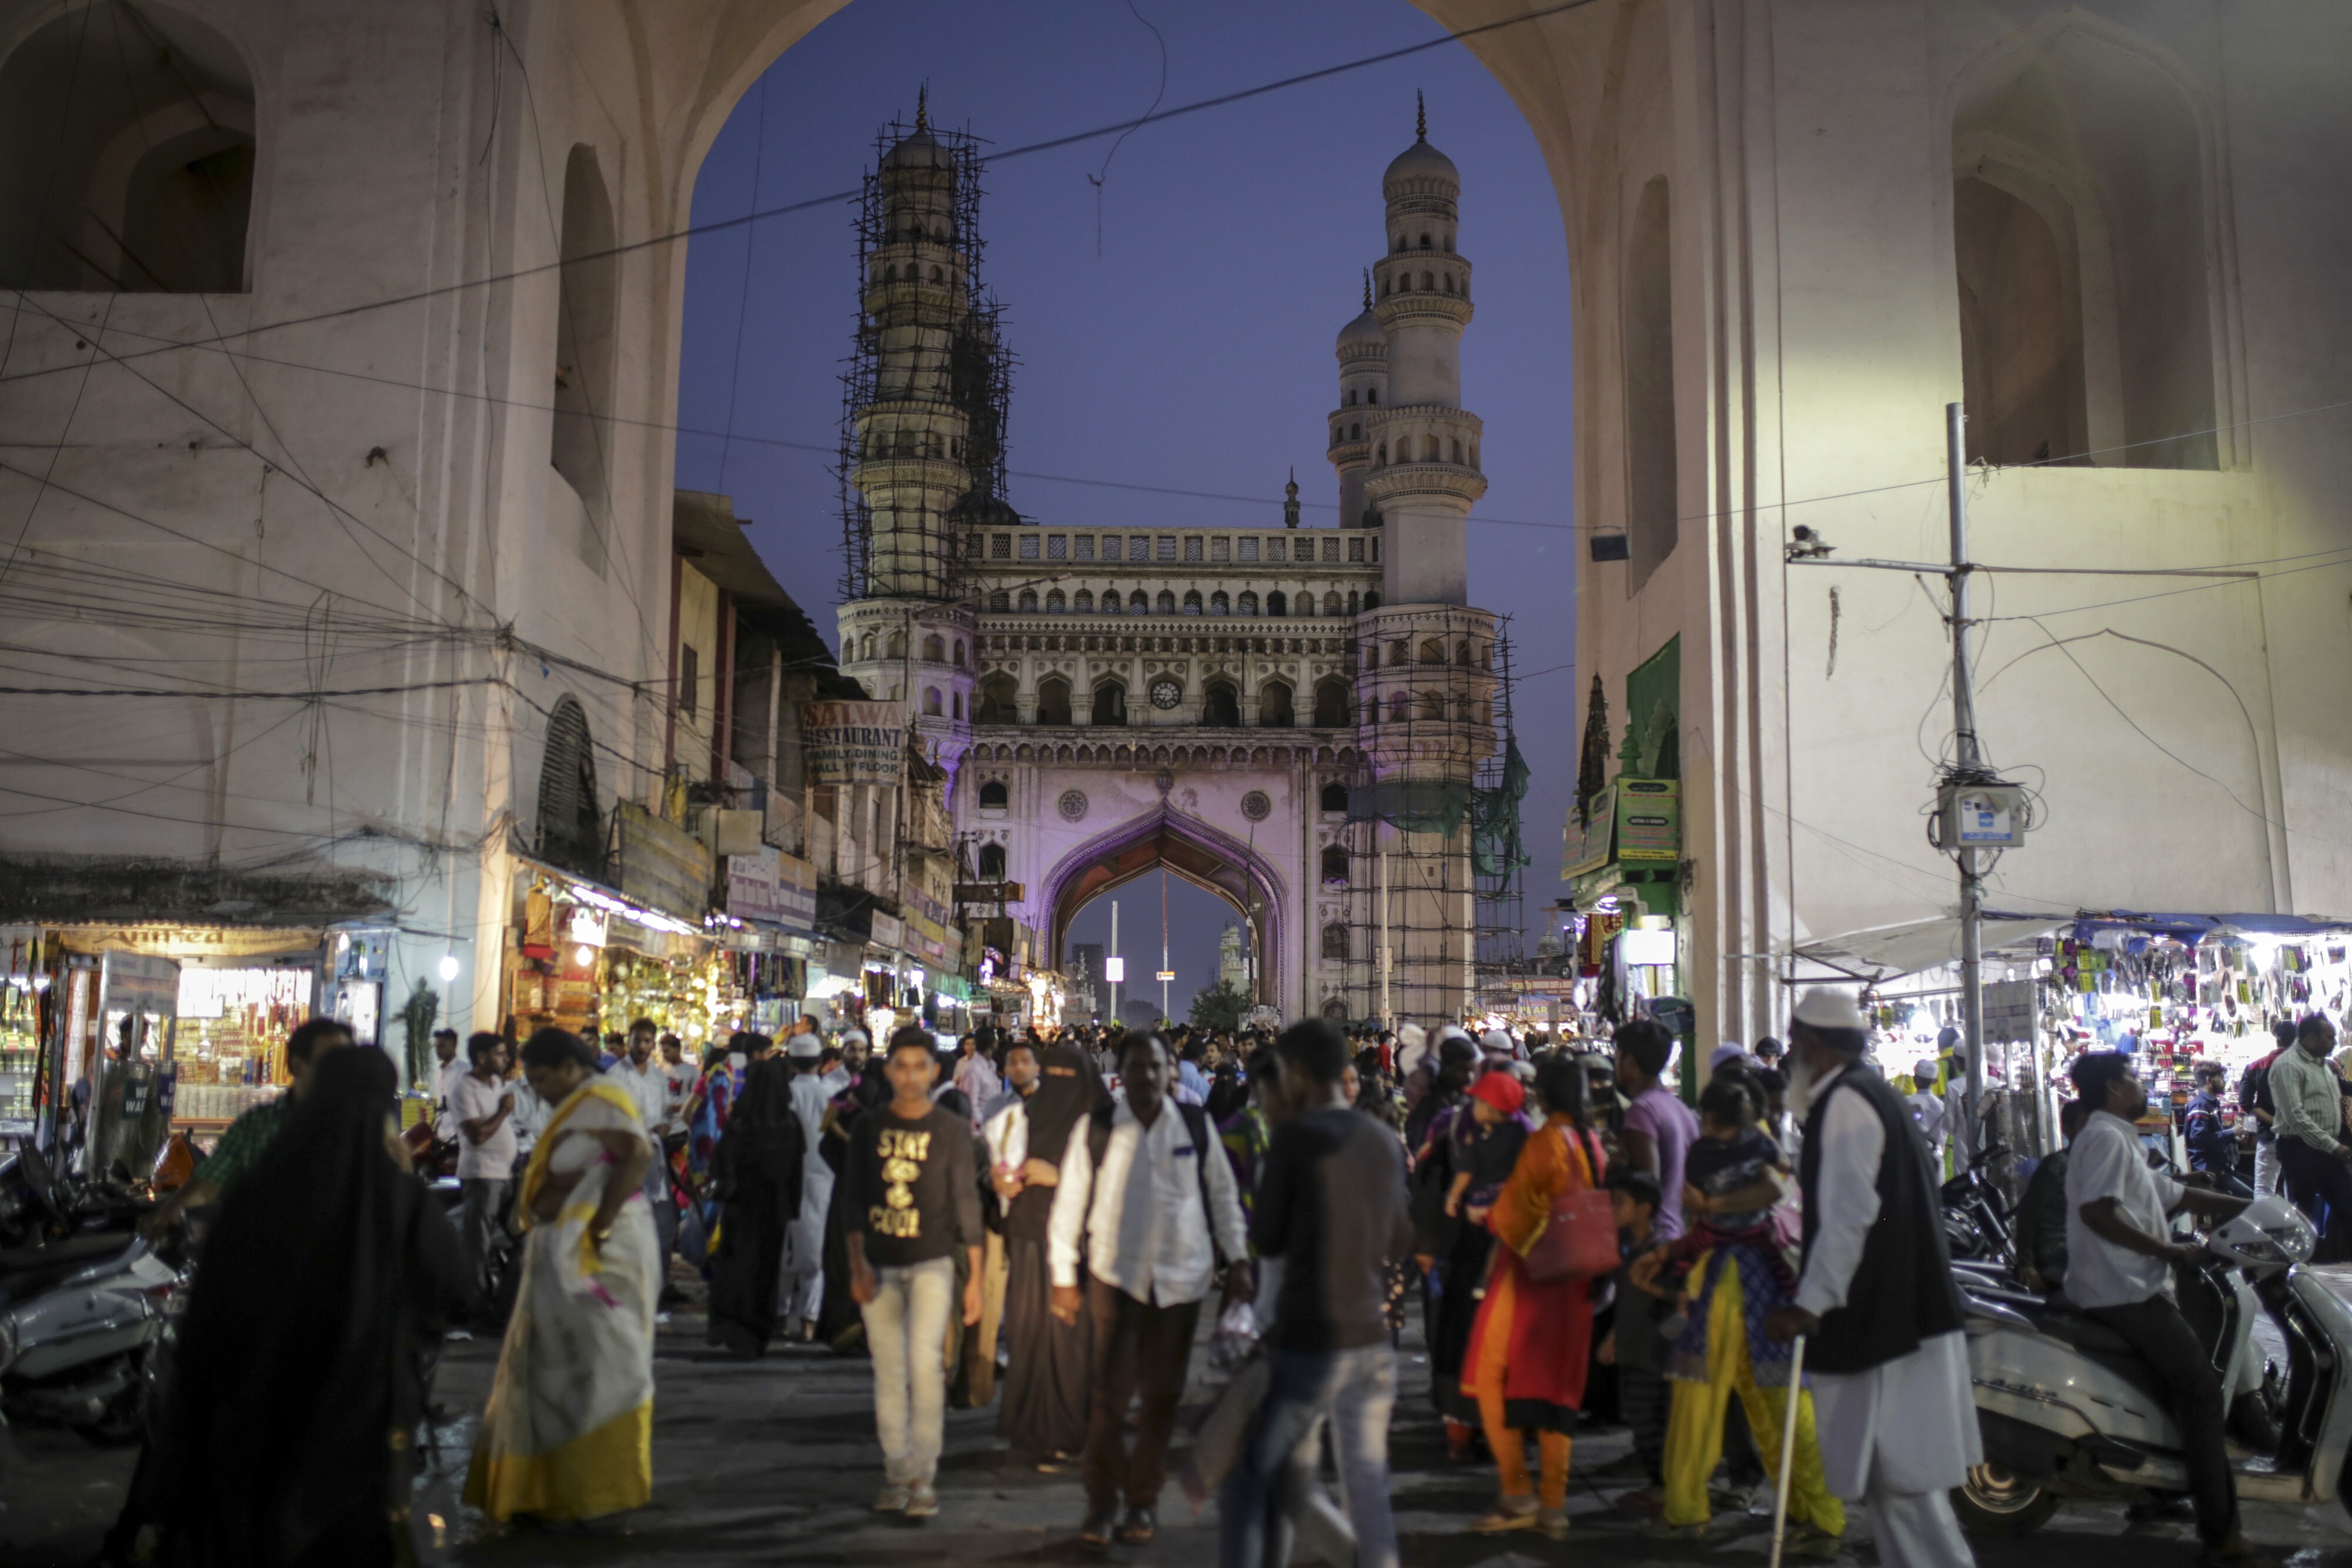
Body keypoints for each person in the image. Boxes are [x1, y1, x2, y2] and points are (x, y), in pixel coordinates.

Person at [160, 1047, 469, 1567]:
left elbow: (209, 1314)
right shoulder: (402, 1199)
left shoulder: (259, 1191)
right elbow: (454, 1288)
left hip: (256, 1412)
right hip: (361, 1420)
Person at [1763, 988, 1977, 1568]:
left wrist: (1808, 1305)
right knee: (1892, 1477)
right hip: (1897, 1314)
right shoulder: (1869, 1094)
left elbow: (1848, 1217)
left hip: (1890, 1323)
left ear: (1813, 1045)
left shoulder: (1847, 1104)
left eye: (1795, 1044)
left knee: (1902, 1477)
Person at [2062, 1051, 2268, 1568]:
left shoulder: (2117, 1138)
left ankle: (2156, 1490)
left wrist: (2255, 1208)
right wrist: (2170, 1251)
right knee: (2202, 1393)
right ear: (2114, 1087)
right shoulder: (2107, 1138)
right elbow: (2097, 1213)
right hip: (2124, 1290)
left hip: (2130, 1286)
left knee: (2170, 1389)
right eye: (2133, 1078)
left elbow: (2175, 1195)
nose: (2141, 1085)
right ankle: (2222, 1535)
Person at [1219, 1019, 1413, 1568]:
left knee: (1263, 1477)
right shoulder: (1381, 1136)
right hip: (1371, 1335)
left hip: (1309, 1336)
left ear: (1300, 1074)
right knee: (1366, 1483)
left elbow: (1267, 1238)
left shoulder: (1295, 1137)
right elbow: (1401, 1237)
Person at [1050, 1032, 1250, 1547]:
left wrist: (1239, 1258)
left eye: (1156, 1066)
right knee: (1109, 1399)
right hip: (1115, 1277)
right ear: (1121, 1073)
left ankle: (1143, 1499)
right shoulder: (1097, 1127)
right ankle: (1101, 1502)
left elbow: (1223, 1194)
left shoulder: (1194, 1125)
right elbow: (1070, 1203)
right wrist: (1063, 1275)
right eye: (1136, 1067)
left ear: (1170, 1073)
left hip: (1181, 1280)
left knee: (1162, 1398)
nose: (1146, 1076)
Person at [466, 1028, 659, 1525]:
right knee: (554, 1369)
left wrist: (600, 1225)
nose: (539, 1090)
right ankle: (546, 1490)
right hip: (563, 1252)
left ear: (570, 1067)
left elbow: (636, 1155)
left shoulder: (602, 1098)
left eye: (542, 1078)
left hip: (600, 1258)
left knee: (596, 1371)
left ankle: (588, 1490)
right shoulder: (582, 1102)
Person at [1644, 1069, 1841, 1552]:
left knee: (1695, 1404)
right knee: (1786, 1406)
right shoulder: (1765, 1145)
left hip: (1718, 1285)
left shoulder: (1703, 1154)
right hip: (1769, 1283)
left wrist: (1710, 1206)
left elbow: (1704, 1219)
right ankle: (1819, 1514)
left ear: (1711, 1118)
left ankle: (1687, 1511)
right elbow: (1778, 1185)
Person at [1461, 1055, 1608, 1539]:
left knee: (1489, 1375)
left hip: (1529, 1277)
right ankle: (1552, 1506)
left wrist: (1487, 1215)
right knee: (1557, 1389)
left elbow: (1513, 1213)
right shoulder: (1590, 1142)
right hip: (1575, 1282)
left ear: (1543, 1095)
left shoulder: (1547, 1141)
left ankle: (1517, 1489)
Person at [842, 1026, 985, 1520]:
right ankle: (896, 1470)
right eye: (900, 1067)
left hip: (932, 1262)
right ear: (888, 1071)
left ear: (934, 1071)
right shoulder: (869, 1127)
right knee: (889, 1369)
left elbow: (967, 1204)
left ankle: (922, 1475)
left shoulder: (950, 1130)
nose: (909, 1076)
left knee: (926, 1365)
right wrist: (856, 1263)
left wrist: (976, 1278)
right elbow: (853, 1200)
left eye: (918, 1067)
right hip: (880, 1263)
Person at [990, 1035, 1098, 1468]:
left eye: (1069, 1077)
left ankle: (1068, 1429)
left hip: (1080, 1249)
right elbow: (993, 1169)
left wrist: (1058, 1176)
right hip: (1028, 1238)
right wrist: (1000, 1181)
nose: (1060, 1085)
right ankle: (1034, 1428)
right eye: (1054, 1076)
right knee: (1030, 1337)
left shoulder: (1099, 1128)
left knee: (1068, 1341)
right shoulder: (1018, 1119)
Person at [140, 1019, 353, 1239]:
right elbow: (207, 1188)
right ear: (297, 1066)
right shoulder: (256, 1127)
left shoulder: (360, 1127)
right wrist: (161, 1219)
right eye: (331, 1063)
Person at [706, 1057, 805, 1357]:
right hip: (775, 1209)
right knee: (765, 1270)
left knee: (737, 1265)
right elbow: (796, 1171)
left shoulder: (741, 1122)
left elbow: (720, 1162)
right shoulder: (789, 1124)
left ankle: (733, 1326)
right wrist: (793, 1208)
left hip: (741, 1206)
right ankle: (757, 1330)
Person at [1599, 1170, 1672, 1514]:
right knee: (1641, 1419)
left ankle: (1664, 1487)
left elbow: (1672, 1302)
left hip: (1654, 1354)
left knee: (1650, 1420)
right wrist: (1613, 1338)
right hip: (1634, 1350)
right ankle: (1658, 1485)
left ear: (1643, 1209)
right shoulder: (1629, 1248)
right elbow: (1626, 1300)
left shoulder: (1661, 1253)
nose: (1613, 1209)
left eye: (1620, 1203)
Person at [609, 1018, 681, 1298]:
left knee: (663, 1225)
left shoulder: (658, 1078)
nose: (641, 1046)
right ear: (628, 1040)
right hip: (626, 1157)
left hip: (655, 1156)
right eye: (637, 1040)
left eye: (647, 1041)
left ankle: (659, 1286)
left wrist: (664, 1126)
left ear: (654, 1044)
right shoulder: (616, 1076)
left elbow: (664, 1112)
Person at [2270, 1014, 2351, 1255]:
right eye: (2329, 1037)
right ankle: (2293, 1269)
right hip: (2300, 1151)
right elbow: (2296, 1117)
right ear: (2311, 1038)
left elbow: (2339, 1090)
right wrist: (2334, 1146)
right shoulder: (2288, 1066)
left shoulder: (2320, 1064)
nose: (2334, 1043)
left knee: (2348, 1207)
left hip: (2326, 1150)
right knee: (2301, 1217)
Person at [449, 1031, 518, 1295]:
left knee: (515, 1236)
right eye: (499, 1054)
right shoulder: (463, 1088)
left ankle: (500, 1295)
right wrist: (503, 1111)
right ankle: (474, 1302)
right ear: (481, 1057)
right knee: (478, 1244)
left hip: (505, 1174)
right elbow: (477, 1136)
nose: (506, 1059)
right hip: (482, 1175)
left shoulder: (496, 1083)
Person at [1616, 1019, 1698, 1241]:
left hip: (1652, 1236)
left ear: (1630, 1063)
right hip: (1678, 1231)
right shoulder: (1680, 1109)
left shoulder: (1642, 1111)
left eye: (1618, 1056)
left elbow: (1646, 1186)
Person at [780, 1029, 835, 1342]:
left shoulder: (783, 1095)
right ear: (819, 1061)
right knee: (815, 1251)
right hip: (822, 1177)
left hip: (787, 1176)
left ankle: (780, 1314)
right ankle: (809, 1322)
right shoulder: (830, 1097)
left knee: (785, 1246)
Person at [2012, 1097, 2092, 1294]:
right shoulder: (2058, 1164)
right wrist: (2026, 1263)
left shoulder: (2100, 1165)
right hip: (2058, 1252)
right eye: (2085, 1126)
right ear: (2068, 1130)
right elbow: (2028, 1215)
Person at [2241, 1022, 2292, 1199]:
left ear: (2277, 1039)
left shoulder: (2255, 1067)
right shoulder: (2306, 1067)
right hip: (2298, 1138)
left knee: (2264, 1190)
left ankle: (2264, 1219)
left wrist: (2274, 1121)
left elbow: (2245, 1103)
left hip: (2268, 1135)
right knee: (2295, 1190)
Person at [2185, 1062, 2239, 1179]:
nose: (2224, 1082)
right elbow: (2199, 1139)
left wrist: (2233, 1136)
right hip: (2207, 1170)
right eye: (2221, 1077)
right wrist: (2230, 1133)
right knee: (2252, 1190)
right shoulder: (2200, 1105)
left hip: (2219, 1166)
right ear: (2209, 1080)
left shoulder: (2212, 1103)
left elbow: (2214, 1134)